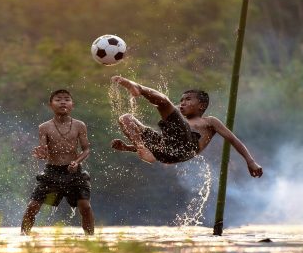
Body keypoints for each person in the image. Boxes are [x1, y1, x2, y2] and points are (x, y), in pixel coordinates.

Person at [110, 75, 263, 177]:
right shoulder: (178, 124)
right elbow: (164, 144)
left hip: (187, 147)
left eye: (188, 99)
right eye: (182, 100)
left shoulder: (209, 121)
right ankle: (141, 148)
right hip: (165, 152)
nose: (183, 103)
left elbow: (233, 139)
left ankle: (138, 88)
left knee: (163, 102)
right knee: (126, 118)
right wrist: (128, 148)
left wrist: (250, 161)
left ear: (201, 105)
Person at [21, 89, 95, 235]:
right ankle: (23, 237)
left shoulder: (79, 125)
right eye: (58, 99)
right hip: (52, 172)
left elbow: (86, 150)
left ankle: (90, 239)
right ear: (51, 105)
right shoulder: (44, 127)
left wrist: (76, 161)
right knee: (32, 206)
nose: (63, 102)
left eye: (67, 99)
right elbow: (44, 150)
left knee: (85, 206)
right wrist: (41, 154)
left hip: (74, 171)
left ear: (72, 105)